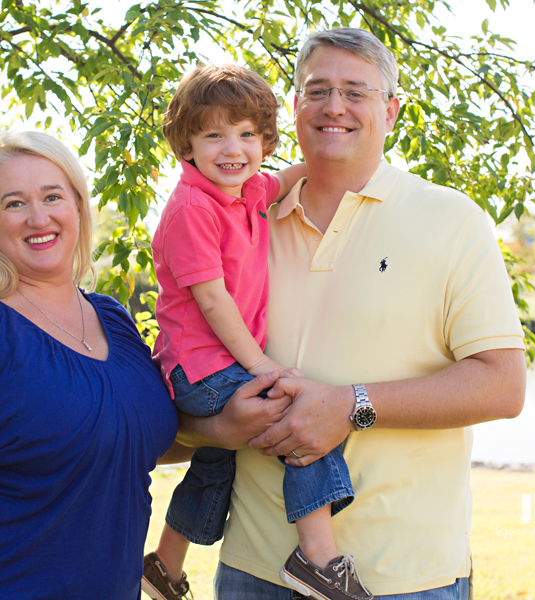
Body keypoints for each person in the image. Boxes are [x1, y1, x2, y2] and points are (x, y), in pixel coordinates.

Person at [178, 28, 528, 599]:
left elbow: (503, 386)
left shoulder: (453, 220)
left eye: (355, 92)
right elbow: (186, 392)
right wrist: (218, 428)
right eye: (317, 90)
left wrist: (352, 405)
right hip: (252, 572)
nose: (334, 106)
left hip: (405, 579)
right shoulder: (236, 225)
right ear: (294, 107)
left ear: (391, 111)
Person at [0, 130, 184, 599]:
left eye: (52, 196)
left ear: (79, 206)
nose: (38, 217)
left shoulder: (113, 318)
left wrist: (236, 428)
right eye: (14, 203)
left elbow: (122, 440)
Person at [143, 64, 368, 600]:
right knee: (299, 416)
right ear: (187, 143)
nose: (233, 149)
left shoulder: (247, 190)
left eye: (247, 134)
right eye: (214, 135)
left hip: (219, 364)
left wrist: (339, 162)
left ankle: (164, 565)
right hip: (201, 367)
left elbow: (287, 178)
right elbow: (213, 300)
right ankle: (319, 558)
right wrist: (262, 365)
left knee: (215, 460)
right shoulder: (193, 208)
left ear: (264, 141)